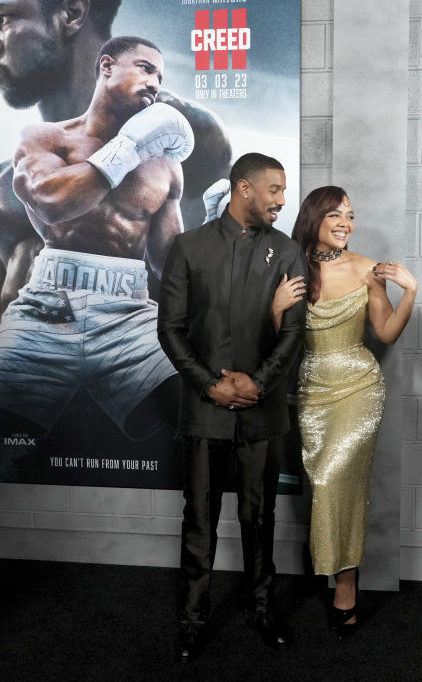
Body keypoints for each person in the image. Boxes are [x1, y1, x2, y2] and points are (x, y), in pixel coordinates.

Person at [0, 37, 189, 477]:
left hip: (131, 311)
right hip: (48, 307)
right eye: (144, 68)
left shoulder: (165, 166)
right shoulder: (44, 138)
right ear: (106, 66)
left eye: (160, 76)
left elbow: (171, 263)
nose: (154, 83)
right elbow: (52, 202)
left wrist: (220, 242)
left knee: (203, 410)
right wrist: (127, 148)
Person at [0, 0, 231, 344]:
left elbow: (200, 290)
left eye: (4, 19)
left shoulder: (190, 138)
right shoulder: (1, 186)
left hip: (139, 376)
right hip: (29, 384)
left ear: (72, 14)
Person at [157, 153, 306, 662]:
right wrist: (210, 387)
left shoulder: (287, 252)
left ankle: (262, 610)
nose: (282, 201)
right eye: (275, 190)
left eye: (283, 192)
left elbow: (293, 334)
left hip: (262, 413)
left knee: (258, 516)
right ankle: (192, 619)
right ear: (244, 188)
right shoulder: (189, 247)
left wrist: (256, 386)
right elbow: (170, 330)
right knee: (199, 518)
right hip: (205, 410)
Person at [271, 186, 417, 637]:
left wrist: (410, 291)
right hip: (313, 390)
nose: (345, 223)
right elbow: (278, 348)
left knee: (336, 479)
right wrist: (276, 311)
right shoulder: (289, 266)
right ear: (314, 217)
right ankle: (337, 574)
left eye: (350, 216)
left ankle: (346, 586)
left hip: (359, 386)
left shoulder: (368, 269)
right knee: (321, 485)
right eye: (336, 214)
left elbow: (387, 332)